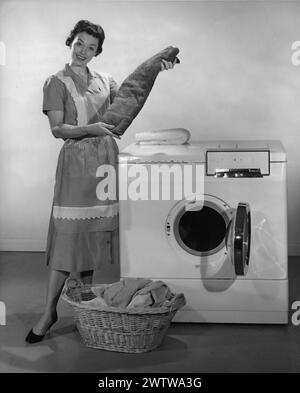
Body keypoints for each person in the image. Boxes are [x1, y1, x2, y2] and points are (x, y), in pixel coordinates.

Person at [25, 20, 175, 344]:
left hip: (104, 164)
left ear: (97, 52)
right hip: (76, 164)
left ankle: (83, 308)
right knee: (68, 239)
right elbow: (58, 129)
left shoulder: (105, 81)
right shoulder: (56, 82)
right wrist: (91, 130)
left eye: (91, 47)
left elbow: (129, 103)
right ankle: (49, 310)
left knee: (92, 239)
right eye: (79, 43)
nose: (83, 51)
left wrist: (155, 70)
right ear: (71, 42)